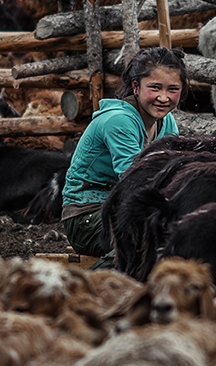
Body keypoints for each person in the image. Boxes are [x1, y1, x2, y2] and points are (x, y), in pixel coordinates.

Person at [61, 47, 187, 266]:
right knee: (141, 244)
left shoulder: (166, 122)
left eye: (173, 89)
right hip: (87, 216)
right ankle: (93, 289)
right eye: (155, 87)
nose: (164, 97)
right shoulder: (119, 121)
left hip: (125, 210)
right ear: (135, 86)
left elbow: (169, 172)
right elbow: (134, 181)